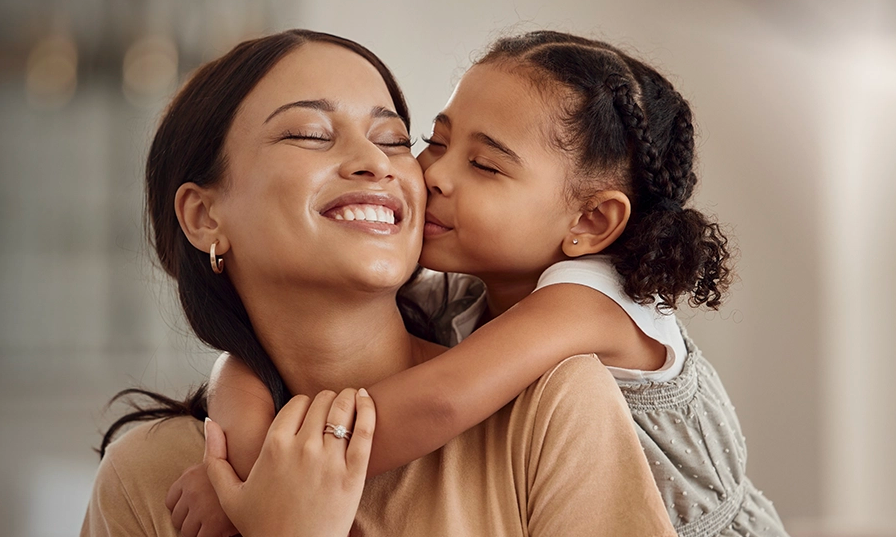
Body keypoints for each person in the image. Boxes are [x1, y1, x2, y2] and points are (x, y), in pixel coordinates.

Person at [168, 31, 786, 537]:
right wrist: (237, 442)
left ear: (589, 222)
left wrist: (269, 485)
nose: (432, 174)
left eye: (485, 165)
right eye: (435, 142)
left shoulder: (588, 304)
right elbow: (260, 346)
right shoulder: (464, 295)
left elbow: (440, 400)